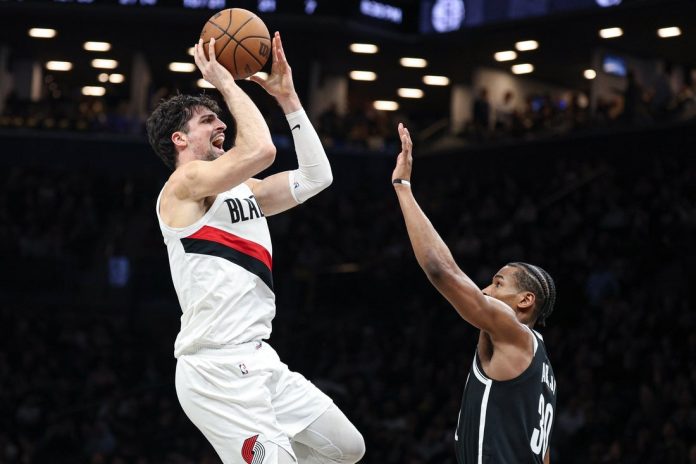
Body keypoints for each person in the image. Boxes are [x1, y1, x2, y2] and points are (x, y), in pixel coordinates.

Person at [146, 33, 365, 464]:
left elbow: (317, 177)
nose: (221, 124)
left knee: (348, 448)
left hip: (260, 359)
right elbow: (262, 149)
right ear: (179, 140)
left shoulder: (246, 190)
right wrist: (226, 82)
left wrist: (289, 99)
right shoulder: (182, 186)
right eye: (207, 120)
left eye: (218, 118)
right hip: (215, 371)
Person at [390, 123, 557, 463]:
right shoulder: (545, 373)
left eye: (498, 283)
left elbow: (441, 270)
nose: (484, 290)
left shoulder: (515, 332)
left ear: (525, 301)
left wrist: (403, 187)